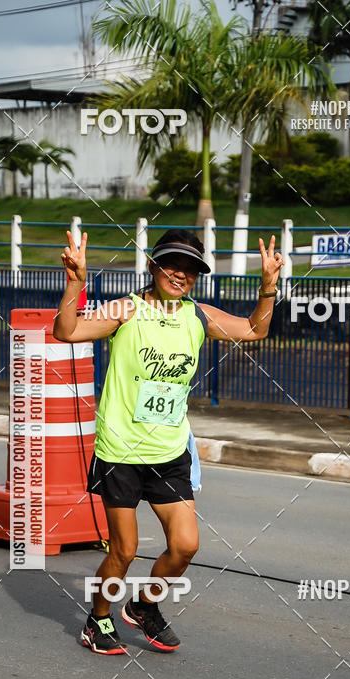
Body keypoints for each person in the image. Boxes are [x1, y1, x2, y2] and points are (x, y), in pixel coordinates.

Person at [53, 227, 283, 655]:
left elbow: (255, 330)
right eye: (172, 265)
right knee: (124, 551)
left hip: (170, 451)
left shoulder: (198, 316)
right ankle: (98, 619)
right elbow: (66, 331)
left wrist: (268, 287)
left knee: (185, 545)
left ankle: (143, 606)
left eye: (191, 269)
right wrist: (75, 282)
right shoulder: (126, 310)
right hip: (121, 451)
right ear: (152, 266)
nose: (181, 275)